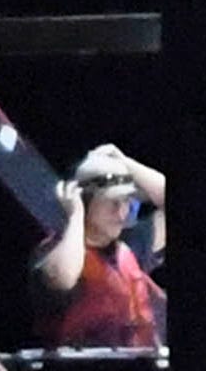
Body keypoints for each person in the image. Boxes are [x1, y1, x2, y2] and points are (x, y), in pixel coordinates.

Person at [31, 143, 168, 350]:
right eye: (112, 201)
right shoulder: (54, 252)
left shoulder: (130, 246)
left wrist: (125, 162)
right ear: (85, 202)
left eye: (125, 202)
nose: (121, 212)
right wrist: (75, 214)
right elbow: (63, 277)